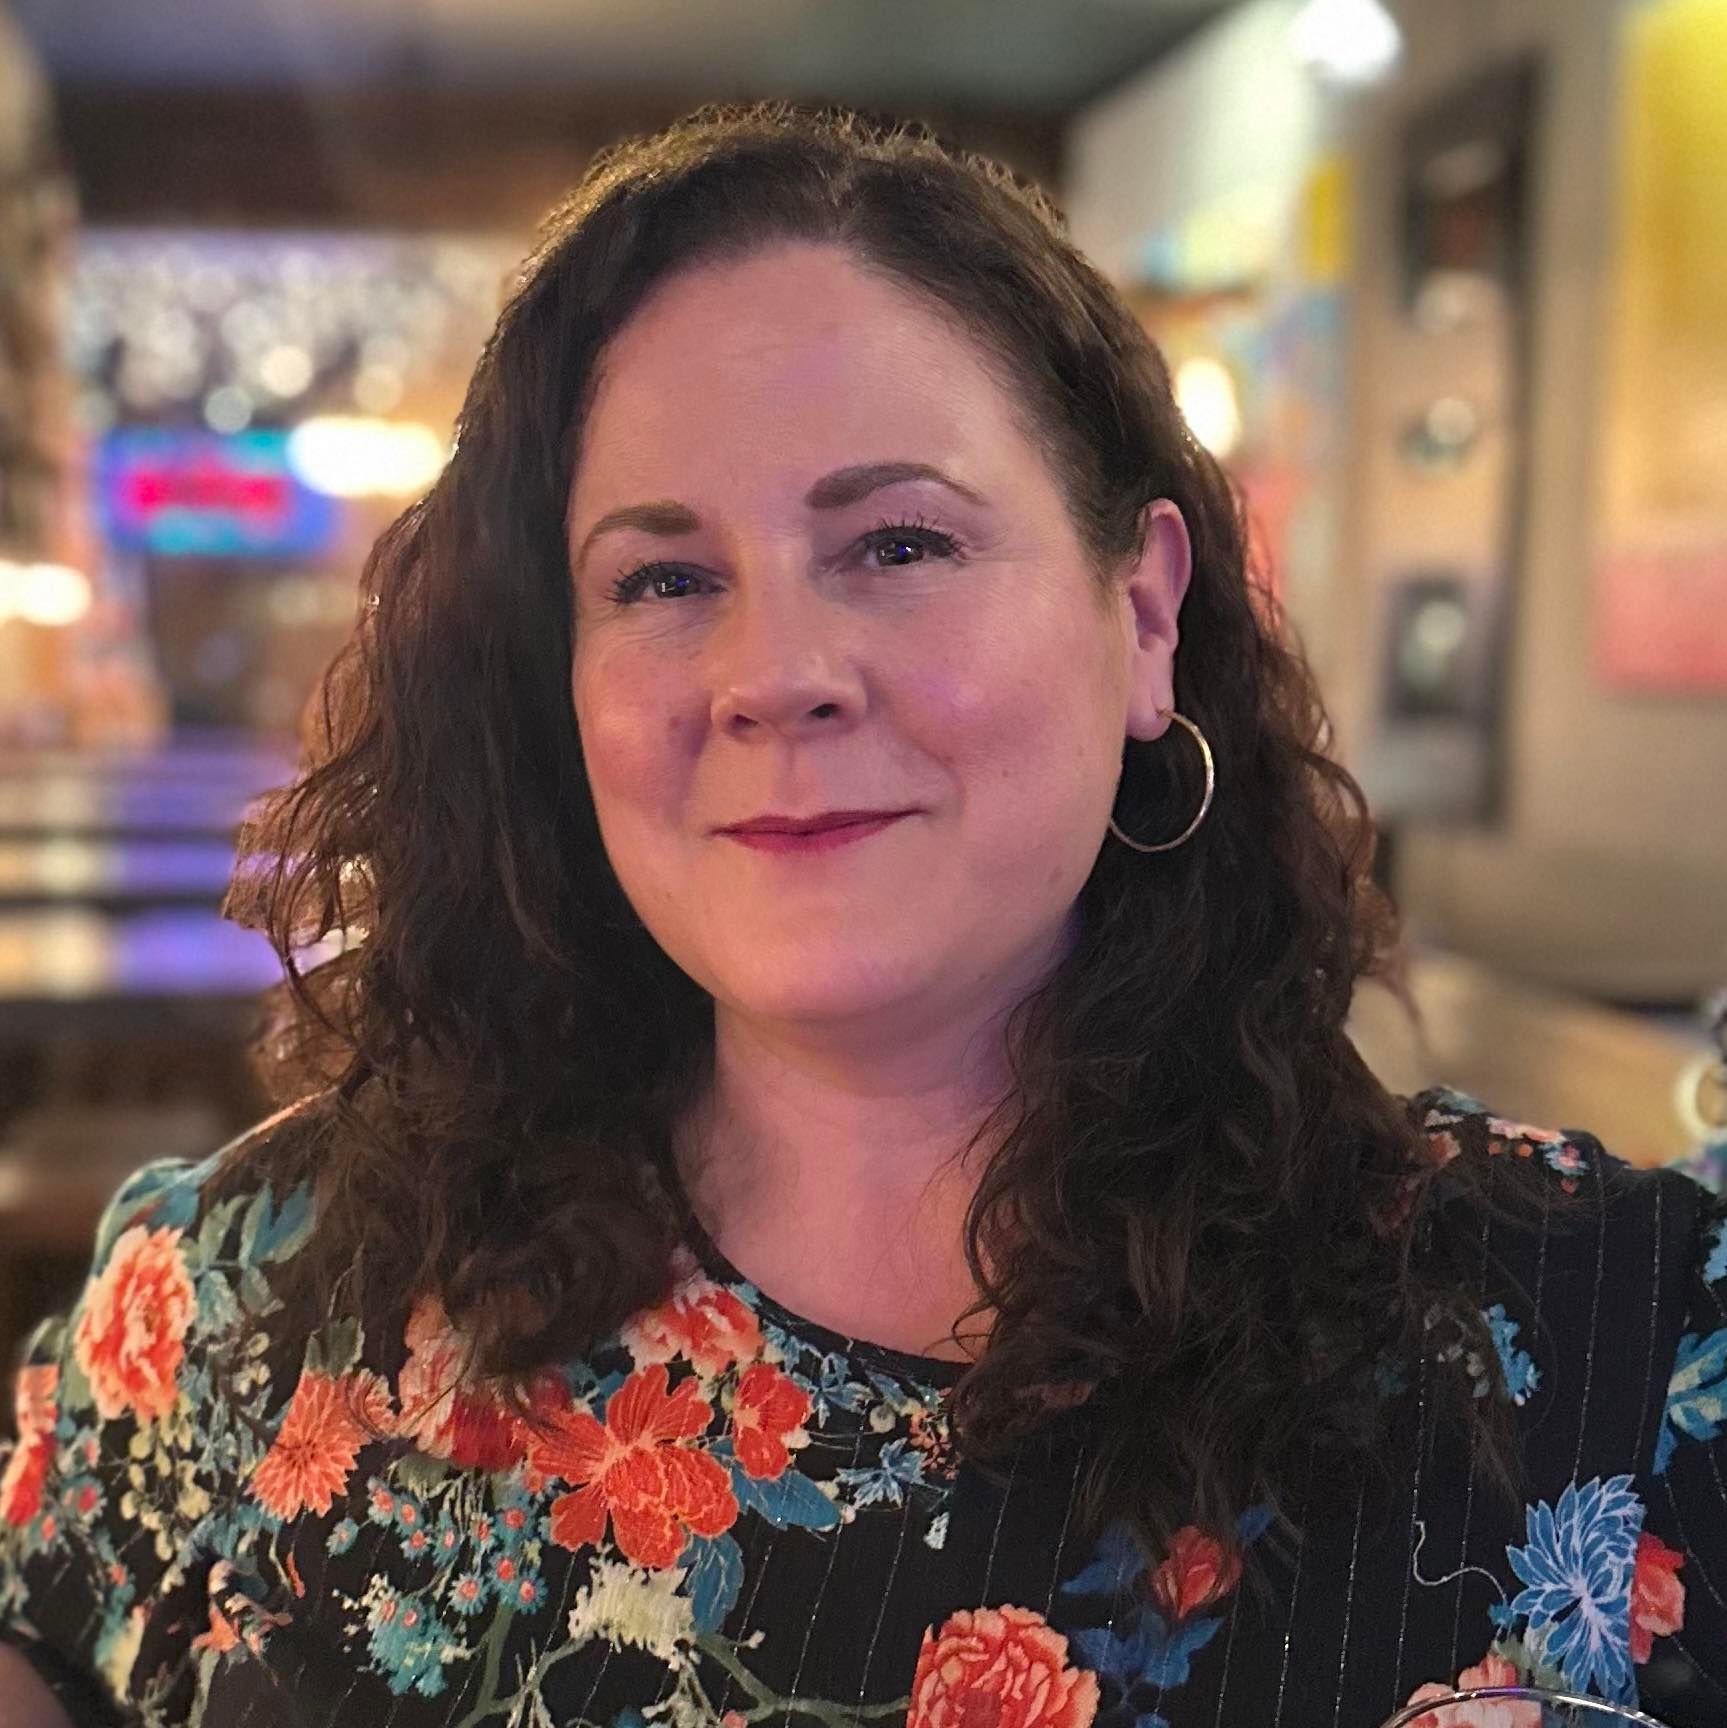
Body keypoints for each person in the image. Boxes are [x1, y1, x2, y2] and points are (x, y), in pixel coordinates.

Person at [2, 102, 1723, 1728]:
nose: (776, 677)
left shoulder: (1624, 1357)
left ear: (1142, 612)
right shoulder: (237, 1314)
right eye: (663, 579)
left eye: (898, 544)